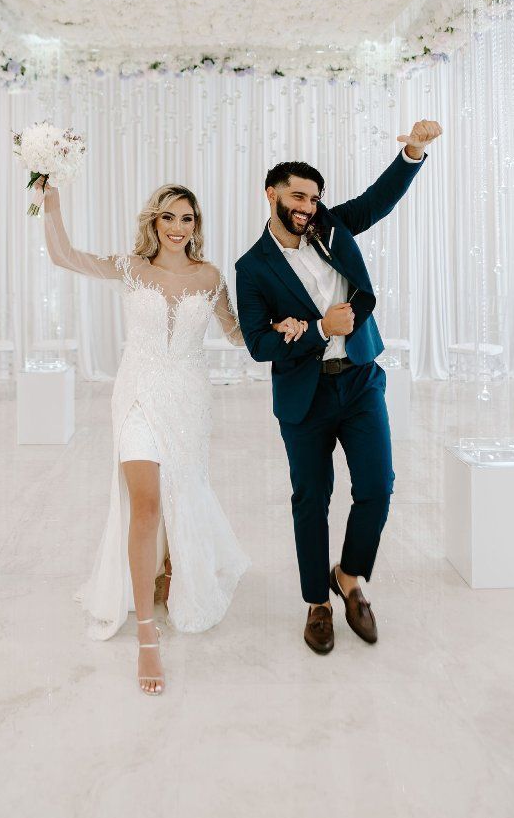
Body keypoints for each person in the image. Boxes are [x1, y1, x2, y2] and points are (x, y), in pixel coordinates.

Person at [234, 120, 442, 654]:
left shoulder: (331, 227)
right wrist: (320, 330)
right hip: (304, 398)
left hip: (360, 380)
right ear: (271, 194)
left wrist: (413, 153)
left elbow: (378, 200)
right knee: (312, 499)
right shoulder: (252, 268)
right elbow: (259, 344)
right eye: (297, 195)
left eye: (313, 197)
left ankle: (348, 577)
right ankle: (317, 604)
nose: (306, 205)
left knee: (377, 486)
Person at [38, 180, 251, 695]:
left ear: (196, 226)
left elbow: (239, 333)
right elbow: (64, 255)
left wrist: (296, 326)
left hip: (190, 400)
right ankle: (147, 636)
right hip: (137, 396)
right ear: (153, 222)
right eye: (169, 217)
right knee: (146, 504)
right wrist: (51, 201)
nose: (178, 228)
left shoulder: (211, 276)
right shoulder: (131, 269)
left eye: (188, 219)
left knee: (184, 491)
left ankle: (171, 570)